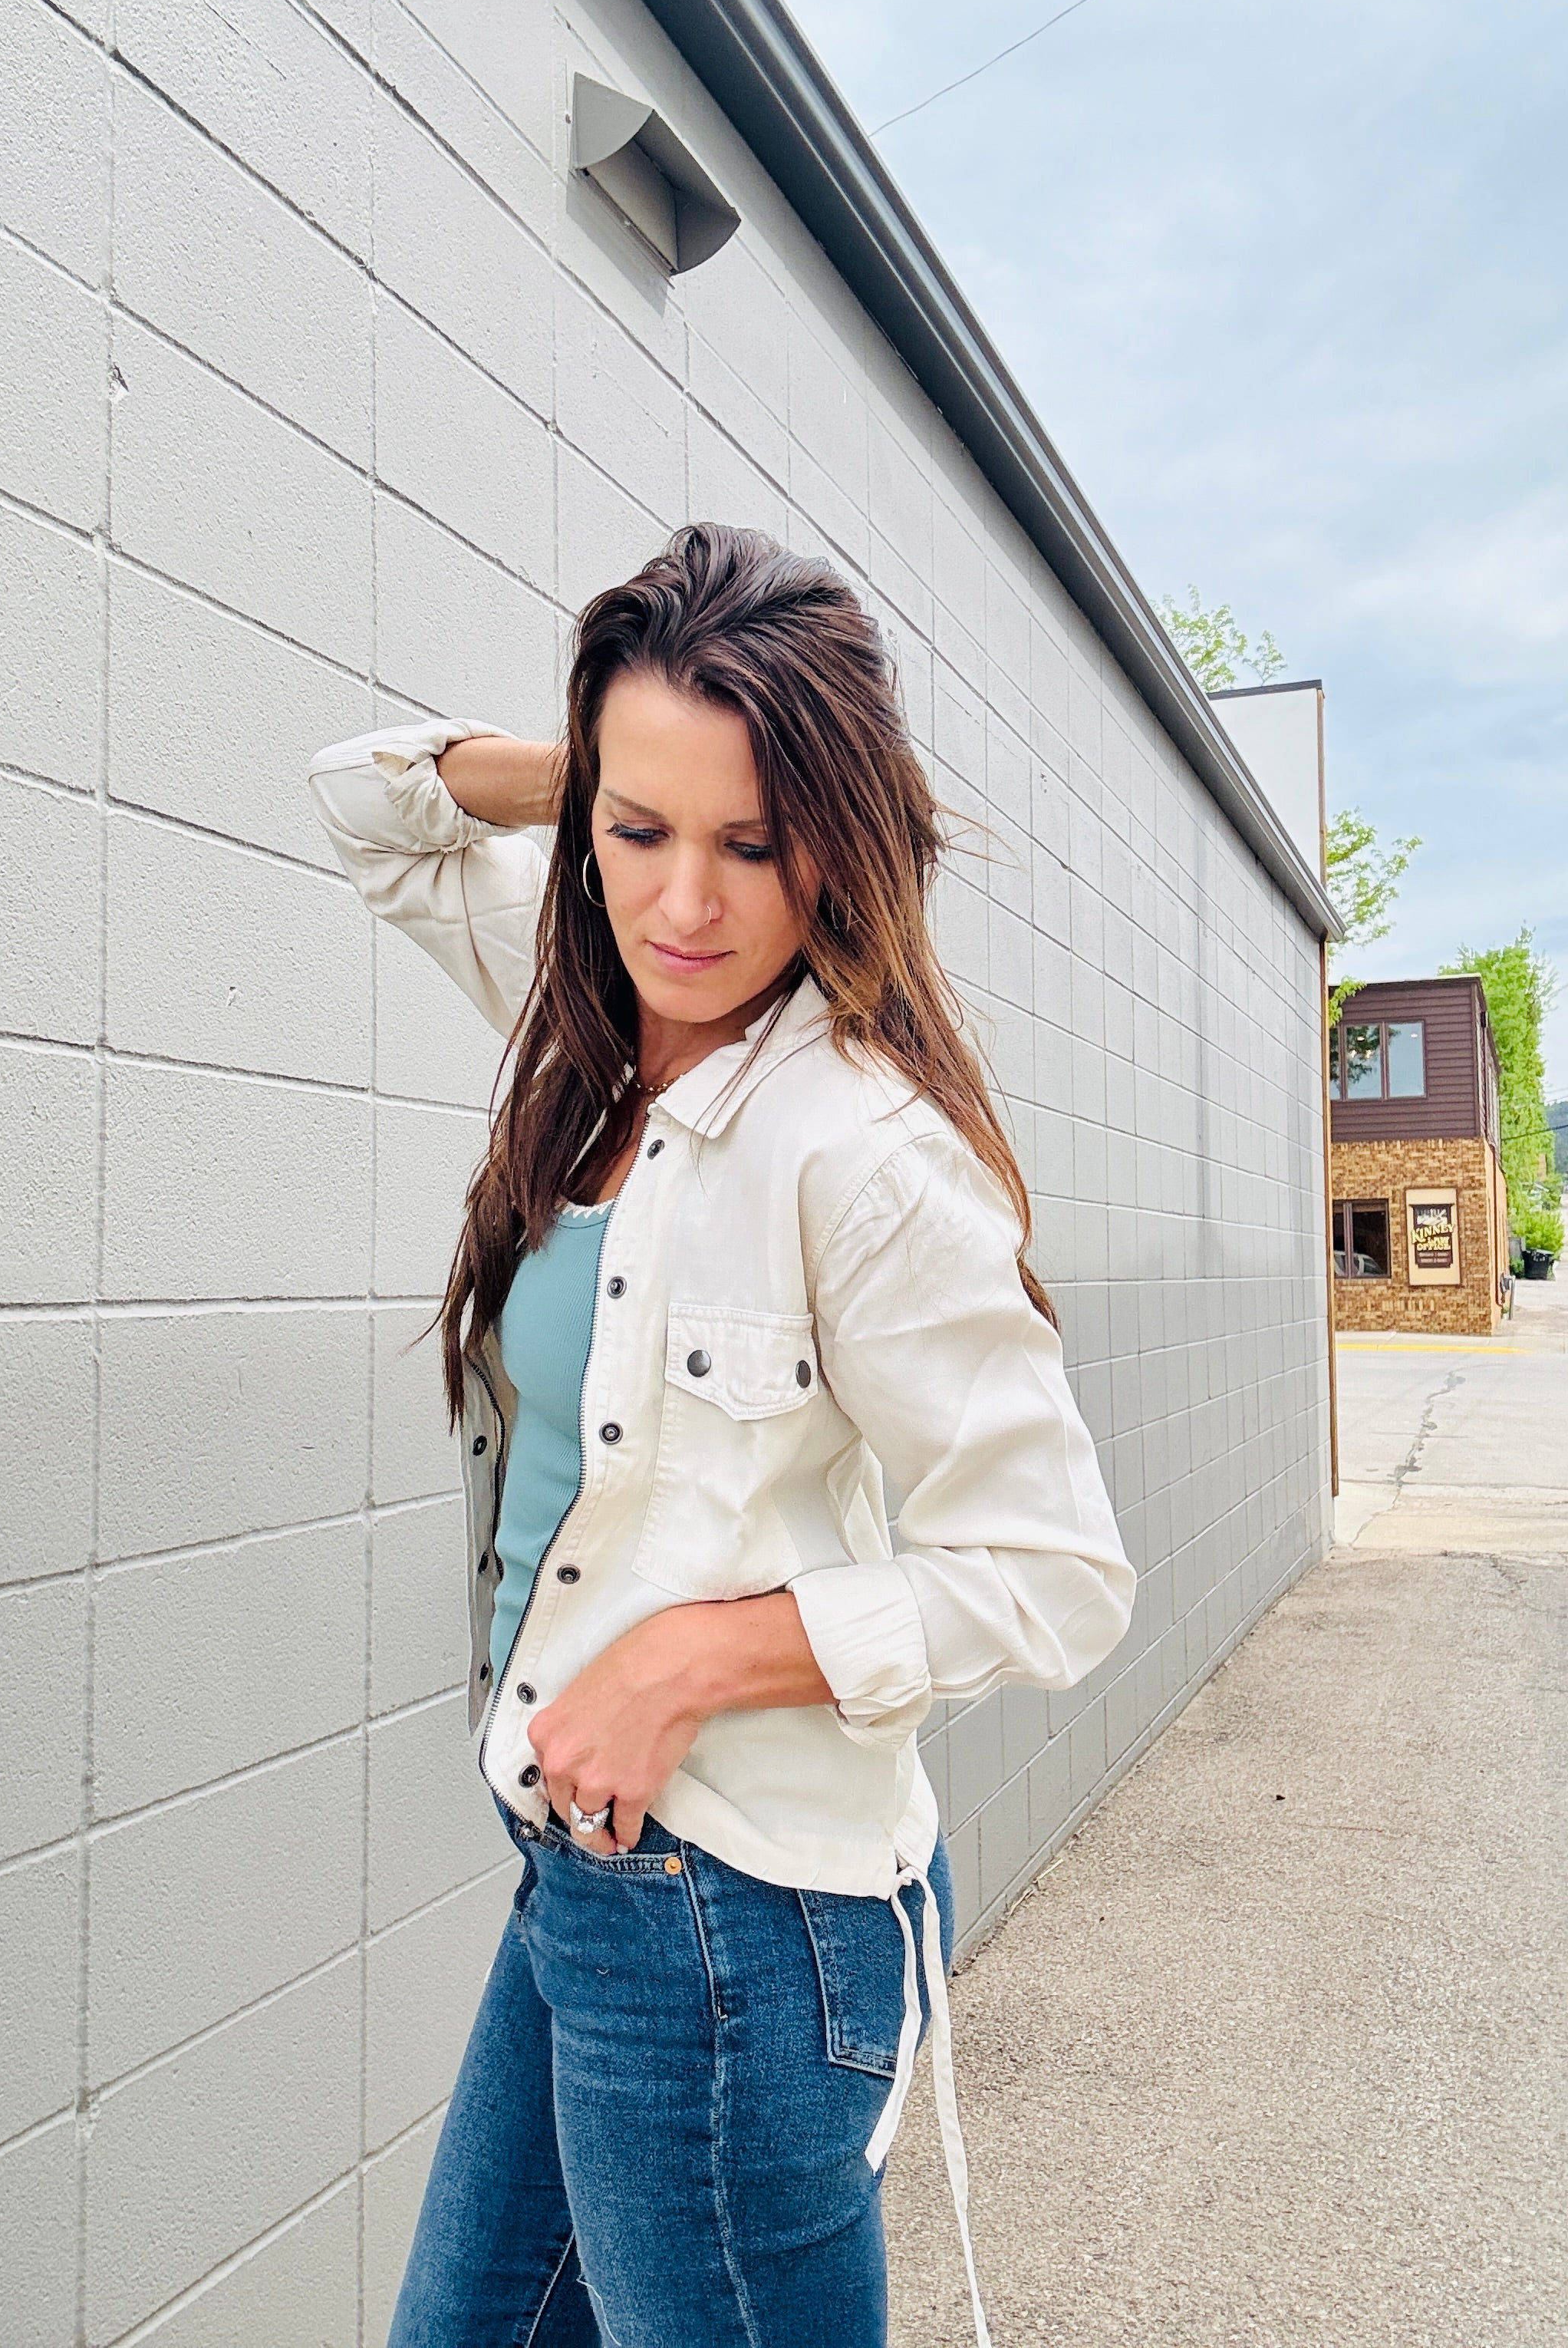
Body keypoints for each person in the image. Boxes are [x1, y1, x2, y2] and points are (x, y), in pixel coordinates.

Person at [311, 524, 1134, 2348]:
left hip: (736, 1929)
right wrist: (605, 765)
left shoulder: (863, 1151)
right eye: (640, 832)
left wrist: (692, 1657)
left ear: (834, 838)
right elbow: (365, 803)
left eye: (752, 842)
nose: (686, 904)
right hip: (587, 1883)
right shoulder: (603, 1030)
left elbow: (1058, 1575)